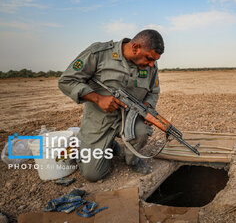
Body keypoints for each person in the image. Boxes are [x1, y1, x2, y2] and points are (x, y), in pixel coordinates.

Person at [58, 29, 164, 182]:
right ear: (135, 47)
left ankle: (131, 160)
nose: (152, 64)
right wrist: (98, 98)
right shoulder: (99, 54)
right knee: (92, 174)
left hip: (129, 118)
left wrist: (146, 108)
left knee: (141, 132)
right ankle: (109, 145)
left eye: (154, 60)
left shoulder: (151, 66)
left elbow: (154, 92)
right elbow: (66, 81)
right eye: (149, 58)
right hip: (99, 120)